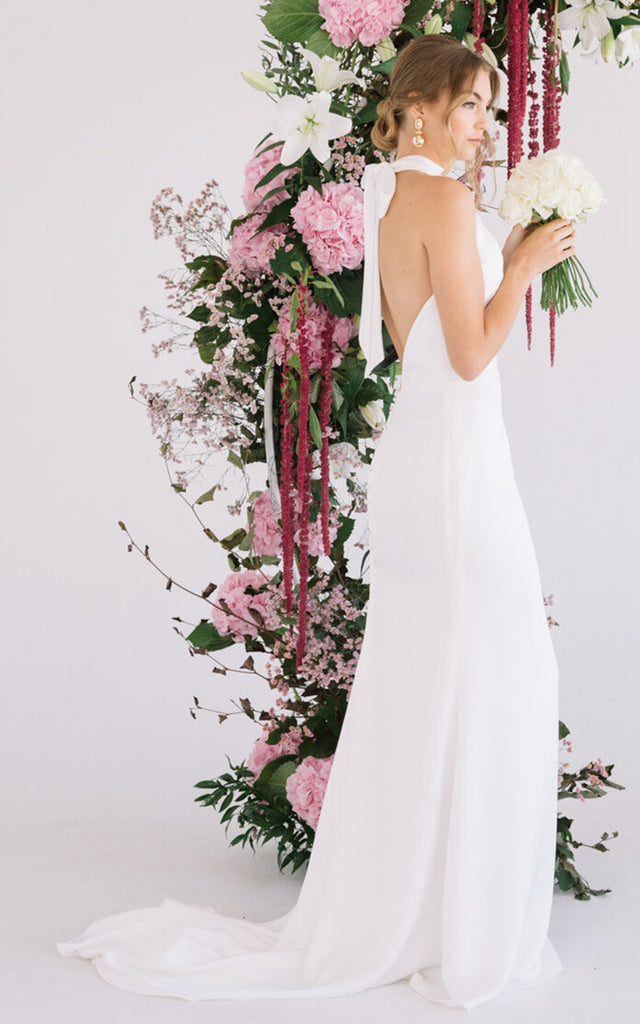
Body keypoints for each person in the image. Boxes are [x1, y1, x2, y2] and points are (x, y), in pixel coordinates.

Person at [56, 34, 570, 1010]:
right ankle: (458, 918)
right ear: (417, 108)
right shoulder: (442, 200)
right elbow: (470, 355)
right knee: (493, 661)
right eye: (470, 106)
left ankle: (425, 901)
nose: (487, 127)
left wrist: (501, 260)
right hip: (456, 460)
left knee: (441, 666)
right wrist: (524, 265)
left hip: (426, 453)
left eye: (493, 109)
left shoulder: (392, 194)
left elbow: (415, 341)